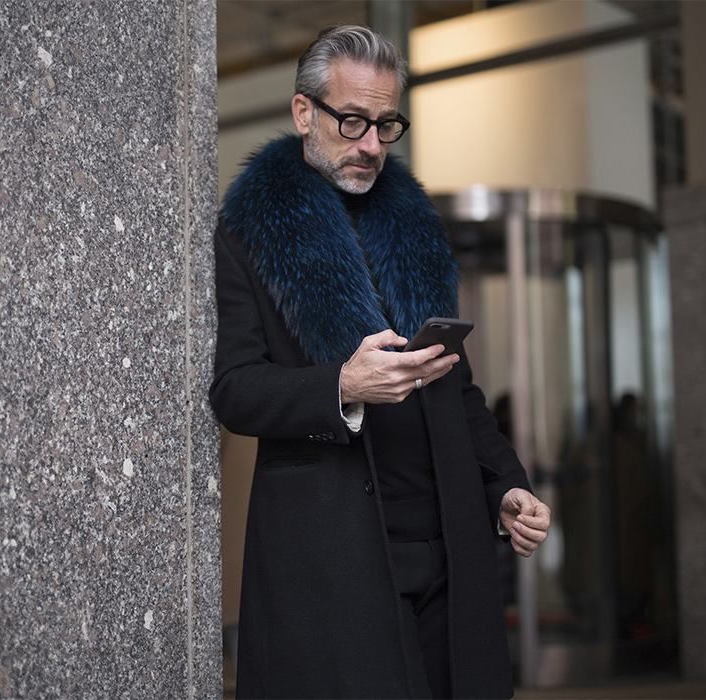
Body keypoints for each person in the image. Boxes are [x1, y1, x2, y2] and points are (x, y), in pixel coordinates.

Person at [210, 25, 550, 700]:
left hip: (448, 552)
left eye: (386, 124)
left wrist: (504, 488)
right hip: (334, 556)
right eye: (353, 121)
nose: (371, 144)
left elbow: (457, 388)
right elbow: (235, 390)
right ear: (304, 112)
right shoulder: (248, 232)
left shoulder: (413, 222)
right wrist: (341, 385)